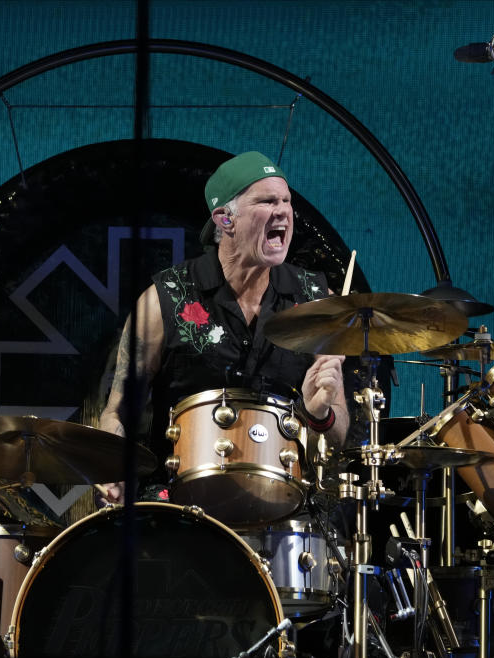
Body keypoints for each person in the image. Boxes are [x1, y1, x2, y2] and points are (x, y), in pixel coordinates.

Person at [99, 152, 348, 502]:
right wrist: (112, 468)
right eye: (267, 201)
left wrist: (320, 414)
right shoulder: (164, 300)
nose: (283, 211)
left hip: (284, 509)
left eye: (287, 201)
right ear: (224, 219)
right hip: (181, 505)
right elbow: (117, 413)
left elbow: (338, 438)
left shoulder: (317, 303)